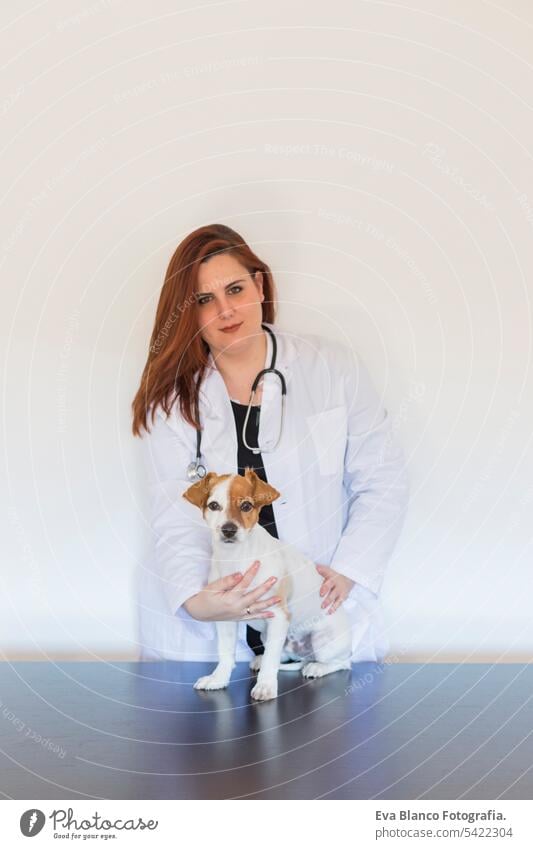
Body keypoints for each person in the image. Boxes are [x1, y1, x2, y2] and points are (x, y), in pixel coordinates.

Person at [131, 223, 409, 663]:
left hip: (319, 611)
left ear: (259, 284)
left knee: (333, 728)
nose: (226, 310)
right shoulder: (172, 402)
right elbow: (175, 516)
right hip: (214, 638)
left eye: (236, 289)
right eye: (205, 300)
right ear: (189, 312)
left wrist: (349, 571)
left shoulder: (332, 369)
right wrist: (198, 602)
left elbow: (383, 480)